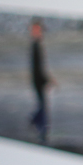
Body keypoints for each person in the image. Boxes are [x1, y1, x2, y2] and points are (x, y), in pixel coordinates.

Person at [28, 17, 52, 145]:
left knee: (42, 105)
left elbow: (39, 67)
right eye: (35, 30)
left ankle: (38, 126)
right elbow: (37, 68)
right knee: (42, 105)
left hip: (38, 79)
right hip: (38, 80)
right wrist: (45, 80)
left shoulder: (37, 45)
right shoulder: (35, 46)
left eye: (38, 30)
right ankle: (40, 130)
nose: (37, 32)